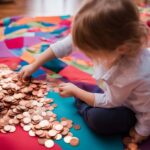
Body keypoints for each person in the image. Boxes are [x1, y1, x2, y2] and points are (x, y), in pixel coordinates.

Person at [19, 0, 150, 143]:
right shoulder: (111, 42)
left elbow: (133, 106)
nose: (84, 53)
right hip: (116, 93)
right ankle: (86, 96)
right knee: (90, 94)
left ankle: (83, 100)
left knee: (99, 120)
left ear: (121, 49)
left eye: (90, 52)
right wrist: (35, 64)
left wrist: (143, 130)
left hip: (136, 110)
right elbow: (68, 43)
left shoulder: (130, 74)